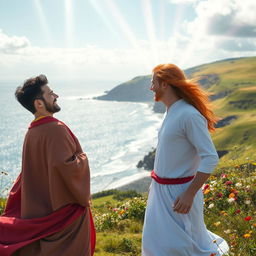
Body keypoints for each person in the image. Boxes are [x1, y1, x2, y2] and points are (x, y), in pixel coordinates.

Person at [0, 75, 95, 256]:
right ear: (39, 103)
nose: (56, 96)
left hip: (43, 210)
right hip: (65, 214)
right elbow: (67, 168)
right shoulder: (56, 128)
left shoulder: (32, 132)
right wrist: (83, 158)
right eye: (50, 93)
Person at [142, 64, 229, 256]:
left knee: (183, 247)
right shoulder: (172, 110)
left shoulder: (188, 115)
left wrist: (189, 193)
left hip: (180, 195)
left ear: (165, 84)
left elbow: (210, 158)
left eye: (153, 83)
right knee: (155, 245)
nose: (151, 88)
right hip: (161, 191)